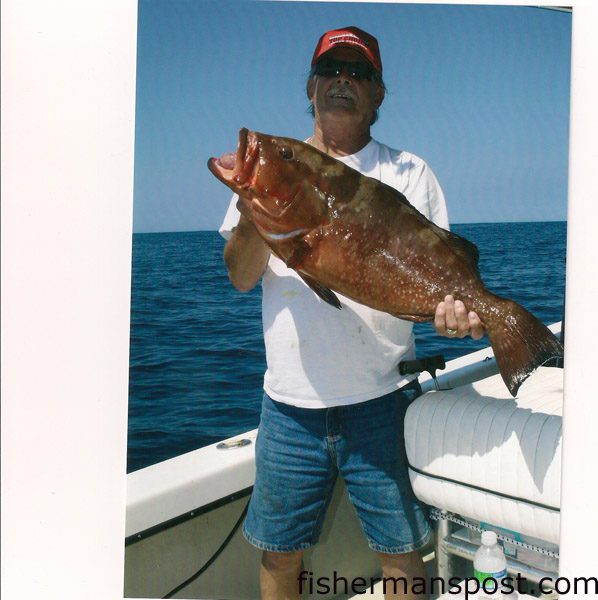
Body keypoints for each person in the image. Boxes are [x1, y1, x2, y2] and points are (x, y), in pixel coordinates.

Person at [219, 26, 484, 600]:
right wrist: (253, 215)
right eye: (332, 70)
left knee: (402, 559)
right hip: (289, 410)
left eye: (359, 73)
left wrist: (458, 314)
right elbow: (241, 277)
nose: (344, 81)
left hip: (382, 401)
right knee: (279, 557)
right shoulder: (276, 165)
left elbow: (443, 278)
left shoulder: (412, 174)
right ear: (311, 86)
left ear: (379, 94)